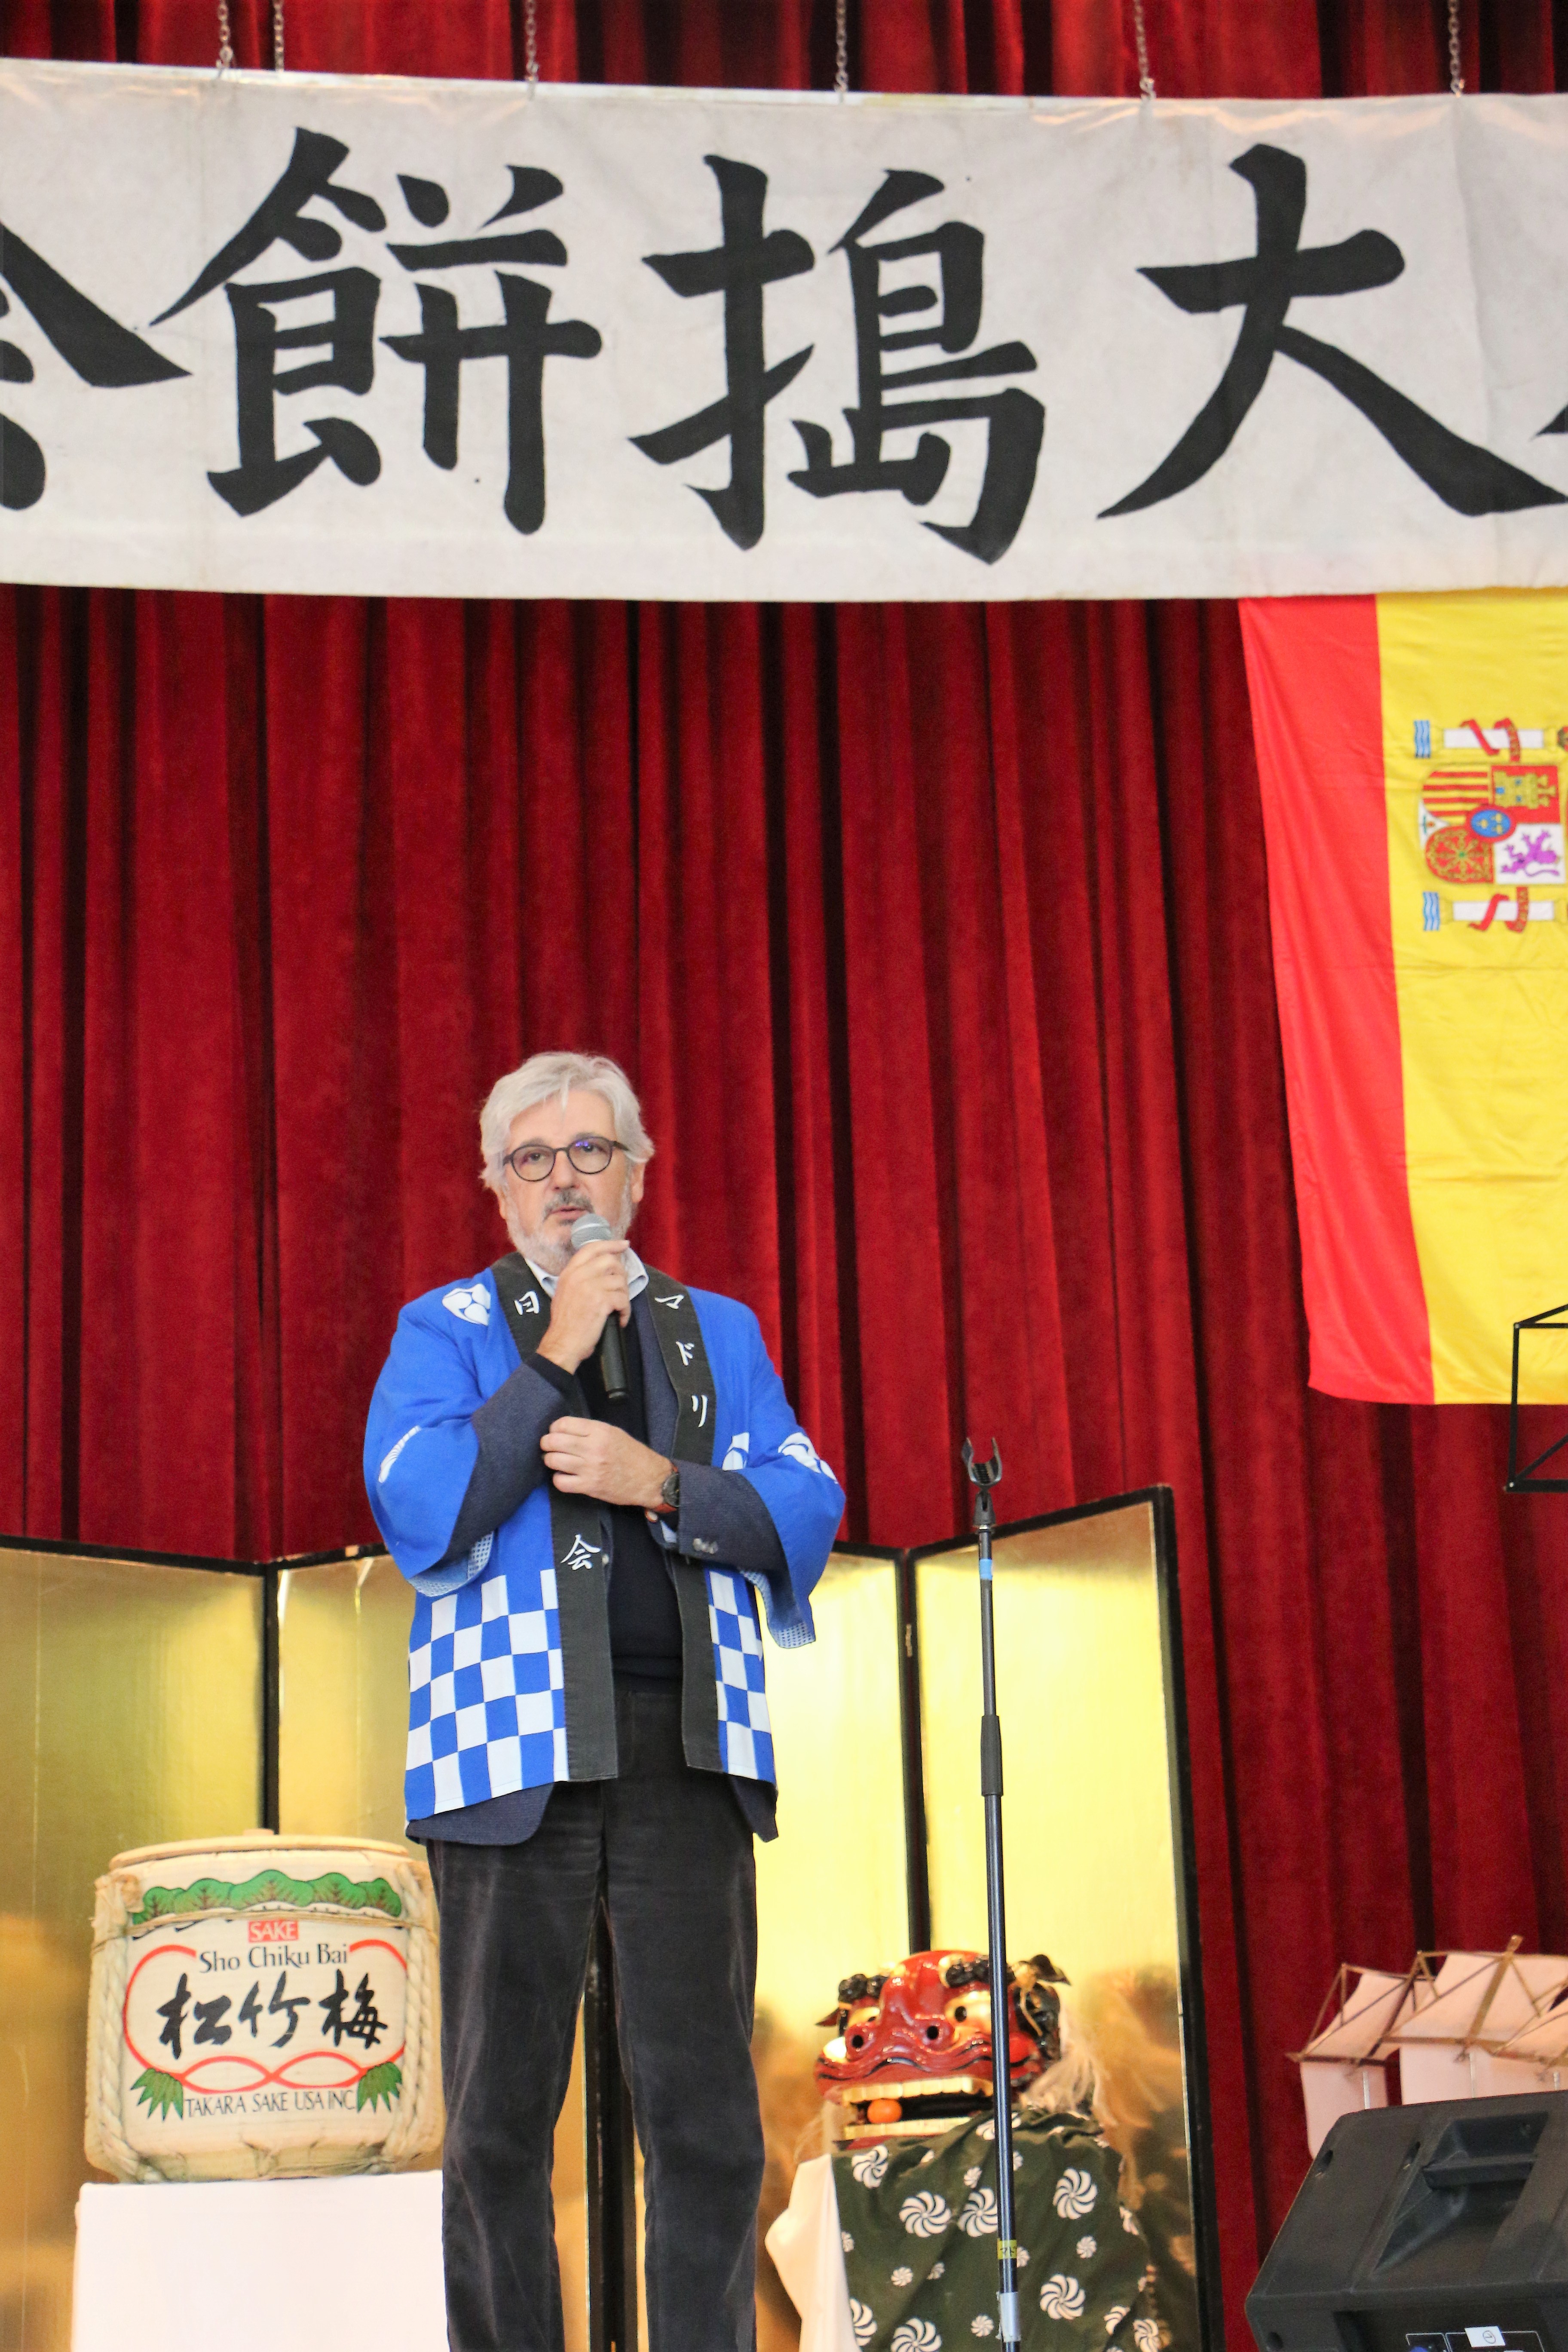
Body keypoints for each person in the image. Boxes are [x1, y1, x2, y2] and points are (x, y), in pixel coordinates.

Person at [364, 1050, 845, 2352]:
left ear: (638, 1172)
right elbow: (422, 1504)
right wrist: (557, 1352)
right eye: (533, 1159)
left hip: (688, 1742)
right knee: (497, 2121)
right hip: (505, 1755)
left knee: (705, 2119)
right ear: (495, 1187)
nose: (564, 1181)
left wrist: (662, 1482)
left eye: (591, 1151)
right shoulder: (445, 1328)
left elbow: (807, 1499)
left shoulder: (717, 1329)